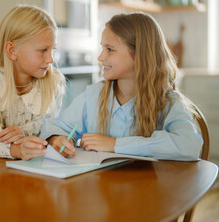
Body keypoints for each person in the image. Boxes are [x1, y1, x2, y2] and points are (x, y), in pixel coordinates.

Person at [40, 12, 203, 161]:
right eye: (102, 48)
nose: (100, 57)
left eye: (110, 49)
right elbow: (59, 127)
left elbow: (189, 146)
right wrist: (57, 139)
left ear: (140, 54)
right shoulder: (93, 95)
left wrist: (114, 144)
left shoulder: (169, 103)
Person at [0, 5, 65, 160]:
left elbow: (49, 129)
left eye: (53, 50)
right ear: (12, 50)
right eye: (42, 50)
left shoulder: (54, 82)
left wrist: (32, 134)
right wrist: (17, 150)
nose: (50, 59)